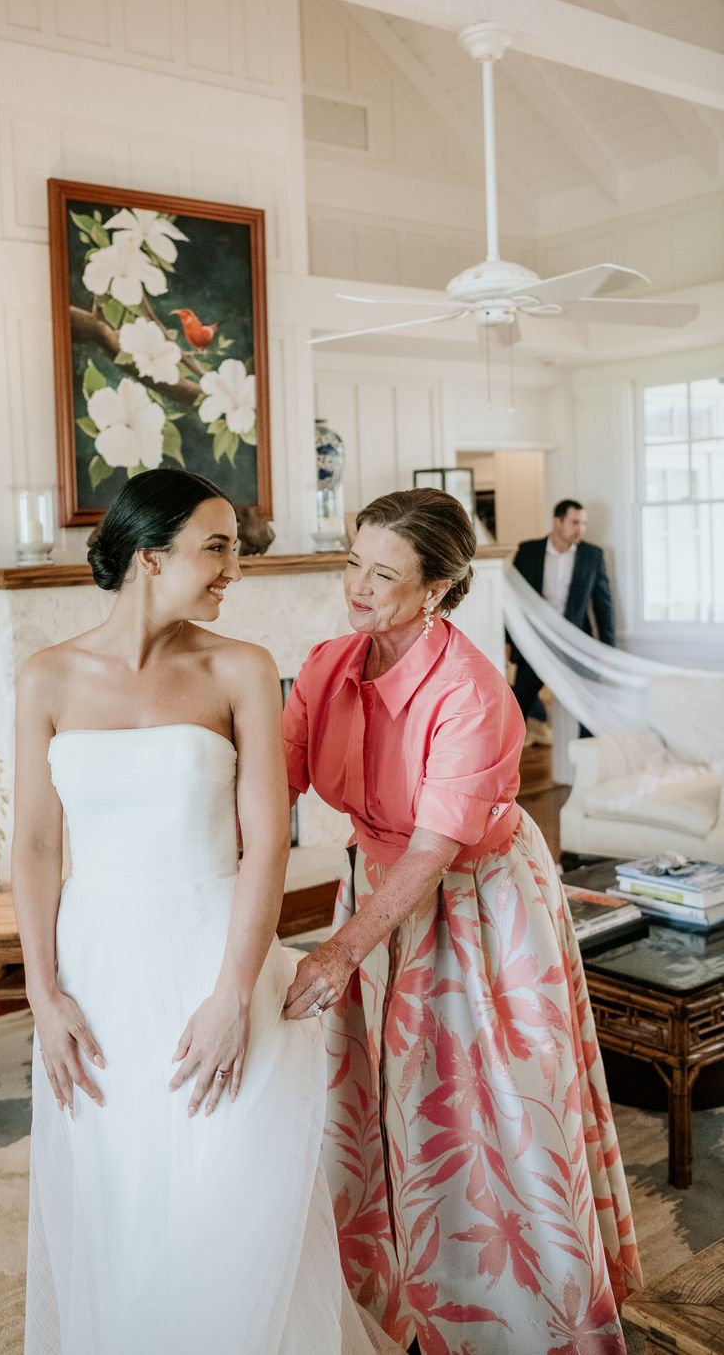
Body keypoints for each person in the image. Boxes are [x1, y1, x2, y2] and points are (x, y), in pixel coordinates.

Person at [13, 469, 403, 1355]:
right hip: (96, 963)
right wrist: (42, 993)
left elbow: (265, 842)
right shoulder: (46, 678)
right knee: (122, 1186)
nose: (235, 568)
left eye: (236, 548)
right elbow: (35, 848)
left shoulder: (241, 668)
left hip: (210, 950)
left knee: (231, 1187)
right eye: (216, 547)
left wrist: (234, 993)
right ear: (150, 557)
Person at [282, 488, 641, 1355]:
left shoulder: (472, 690)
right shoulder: (330, 663)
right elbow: (273, 782)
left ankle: (519, 1312)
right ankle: (390, 1296)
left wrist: (337, 952)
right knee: (374, 1100)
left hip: (478, 903)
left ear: (438, 588)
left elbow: (435, 851)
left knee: (492, 1109)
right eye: (351, 561)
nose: (355, 586)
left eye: (382, 573)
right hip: (377, 884)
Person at [510, 499, 615, 721]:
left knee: (590, 707)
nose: (581, 529)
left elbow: (603, 606)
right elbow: (512, 598)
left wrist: (607, 650)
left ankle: (586, 753)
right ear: (557, 521)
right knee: (516, 708)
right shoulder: (528, 551)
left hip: (575, 644)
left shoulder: (592, 555)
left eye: (583, 524)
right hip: (535, 642)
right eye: (575, 522)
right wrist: (509, 641)